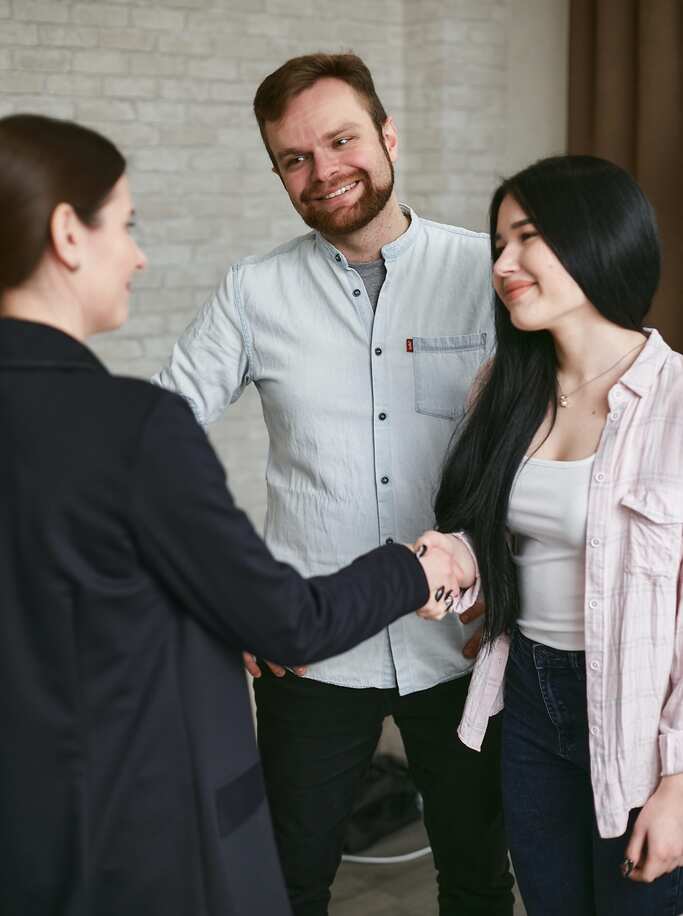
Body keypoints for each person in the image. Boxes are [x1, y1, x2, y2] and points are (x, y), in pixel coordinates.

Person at [0, 112, 463, 916]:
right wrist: (419, 566)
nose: (139, 254)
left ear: (389, 136)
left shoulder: (479, 269)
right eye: (127, 224)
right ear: (69, 235)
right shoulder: (134, 425)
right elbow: (284, 621)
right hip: (131, 837)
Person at [154, 53, 513, 916]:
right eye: (294, 158)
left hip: (465, 648)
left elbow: (557, 438)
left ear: (387, 136)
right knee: (283, 884)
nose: (324, 171)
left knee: (475, 879)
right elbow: (152, 446)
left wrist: (509, 586)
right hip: (310, 655)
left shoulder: (490, 275)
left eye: (342, 139)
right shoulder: (253, 291)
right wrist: (225, 596)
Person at [418, 154, 683, 915]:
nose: (503, 265)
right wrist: (448, 561)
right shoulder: (501, 387)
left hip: (642, 717)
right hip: (529, 695)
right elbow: (498, 538)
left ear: (597, 240)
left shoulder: (673, 402)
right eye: (497, 244)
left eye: (526, 237)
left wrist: (676, 781)